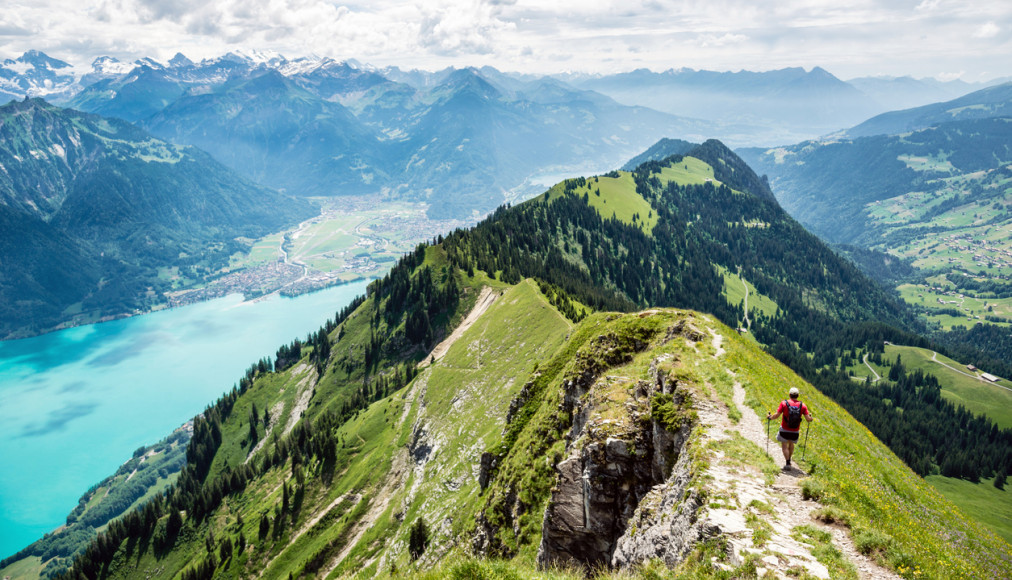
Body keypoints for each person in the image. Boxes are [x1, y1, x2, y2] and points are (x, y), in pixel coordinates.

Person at [767, 387, 813, 469]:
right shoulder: (803, 406)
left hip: (784, 429)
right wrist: (811, 418)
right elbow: (808, 419)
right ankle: (789, 460)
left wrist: (770, 417)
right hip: (795, 431)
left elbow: (777, 415)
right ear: (798, 395)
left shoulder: (784, 403)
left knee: (784, 445)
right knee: (791, 444)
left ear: (789, 395)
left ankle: (787, 463)